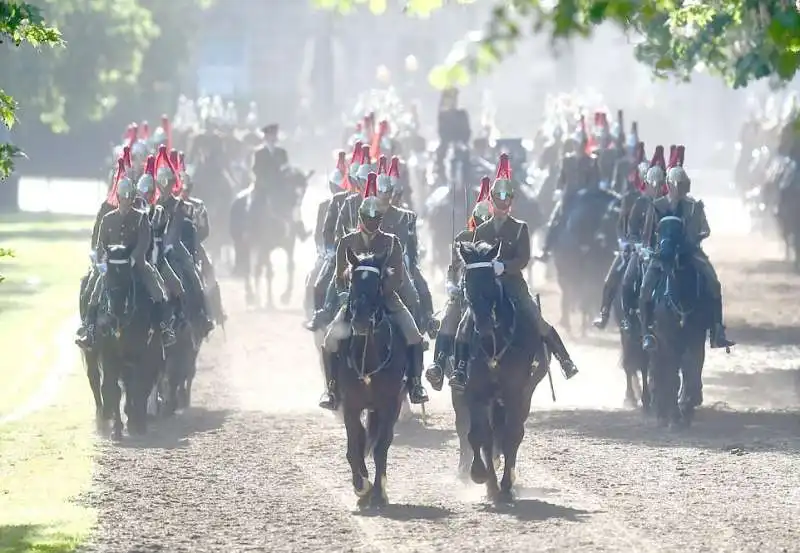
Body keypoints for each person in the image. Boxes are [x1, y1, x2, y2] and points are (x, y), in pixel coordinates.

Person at [449, 154, 579, 392]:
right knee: (466, 322)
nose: (501, 202)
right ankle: (459, 367)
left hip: (513, 283)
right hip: (487, 285)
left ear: (511, 200)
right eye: (497, 197)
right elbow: (475, 255)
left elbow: (524, 258)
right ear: (492, 200)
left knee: (535, 318)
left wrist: (505, 267)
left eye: (505, 197)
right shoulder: (483, 229)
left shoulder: (520, 228)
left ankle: (564, 359)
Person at [318, 172, 429, 410]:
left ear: (381, 218)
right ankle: (331, 388)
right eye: (367, 217)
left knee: (414, 335)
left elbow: (398, 277)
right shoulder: (346, 242)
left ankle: (416, 383)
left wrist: (381, 290)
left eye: (375, 217)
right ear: (360, 217)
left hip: (386, 299)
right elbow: (338, 277)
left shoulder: (391, 242)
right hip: (356, 301)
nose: (371, 222)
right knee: (330, 340)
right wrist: (349, 290)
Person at [638, 147, 735, 350]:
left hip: (690, 253)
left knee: (713, 282)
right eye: (676, 185)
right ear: (669, 186)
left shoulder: (694, 206)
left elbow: (705, 229)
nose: (679, 190)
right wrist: (653, 249)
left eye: (683, 186)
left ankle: (717, 330)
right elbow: (648, 235)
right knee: (646, 288)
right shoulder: (657, 206)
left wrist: (695, 238)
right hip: (662, 255)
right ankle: (647, 332)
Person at [76, 158, 176, 350]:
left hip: (135, 263)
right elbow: (100, 245)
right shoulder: (107, 219)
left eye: (130, 198)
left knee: (157, 288)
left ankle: (164, 328)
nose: (127, 201)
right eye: (124, 197)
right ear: (119, 198)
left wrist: (133, 259)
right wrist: (102, 263)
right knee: (95, 290)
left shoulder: (141, 218)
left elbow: (144, 242)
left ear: (133, 198)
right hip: (111, 265)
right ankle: (89, 330)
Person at [425, 175, 491, 391]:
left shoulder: (498, 238)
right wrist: (452, 287)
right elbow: (453, 271)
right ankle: (439, 362)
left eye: (485, 221)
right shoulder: (462, 237)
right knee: (449, 318)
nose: (481, 225)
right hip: (464, 292)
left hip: (491, 291)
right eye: (478, 221)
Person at [154, 146, 215, 338]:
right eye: (161, 183)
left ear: (173, 184)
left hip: (176, 246)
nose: (164, 187)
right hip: (156, 246)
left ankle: (203, 315)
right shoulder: (152, 205)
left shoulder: (181, 205)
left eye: (167, 183)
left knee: (192, 274)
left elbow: (177, 228)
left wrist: (170, 246)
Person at [375, 156, 436, 337]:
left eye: (388, 192)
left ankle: (422, 325)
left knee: (416, 292)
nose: (386, 196)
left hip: (400, 264)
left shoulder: (406, 216)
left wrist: (412, 262)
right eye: (381, 192)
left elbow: (412, 245)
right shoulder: (368, 213)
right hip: (373, 263)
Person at [593, 140, 647, 329]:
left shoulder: (658, 200)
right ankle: (604, 312)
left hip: (652, 249)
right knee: (612, 279)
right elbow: (621, 224)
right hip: (631, 249)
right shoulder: (629, 198)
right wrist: (624, 242)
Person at [435, 88, 471, 180]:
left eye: (454, 98)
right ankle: (441, 178)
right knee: (440, 155)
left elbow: (467, 130)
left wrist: (462, 141)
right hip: (447, 143)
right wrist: (448, 142)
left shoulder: (462, 113)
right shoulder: (442, 115)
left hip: (461, 143)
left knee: (467, 156)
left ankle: (467, 182)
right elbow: (441, 131)